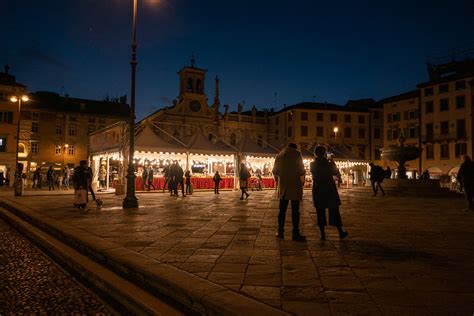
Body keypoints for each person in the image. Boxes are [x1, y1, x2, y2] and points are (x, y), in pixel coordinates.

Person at [311, 146, 348, 240]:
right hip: (329, 188)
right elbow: (336, 173)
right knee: (334, 210)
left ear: (315, 153)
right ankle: (340, 232)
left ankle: (322, 234)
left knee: (320, 211)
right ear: (324, 153)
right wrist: (332, 161)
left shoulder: (313, 164)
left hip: (318, 189)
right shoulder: (329, 163)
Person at [272, 143, 306, 242]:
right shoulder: (297, 154)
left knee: (282, 211)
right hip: (295, 186)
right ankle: (295, 233)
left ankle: (280, 231)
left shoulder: (279, 155)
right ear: (295, 148)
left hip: (283, 187)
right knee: (295, 211)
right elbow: (301, 171)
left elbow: (275, 171)